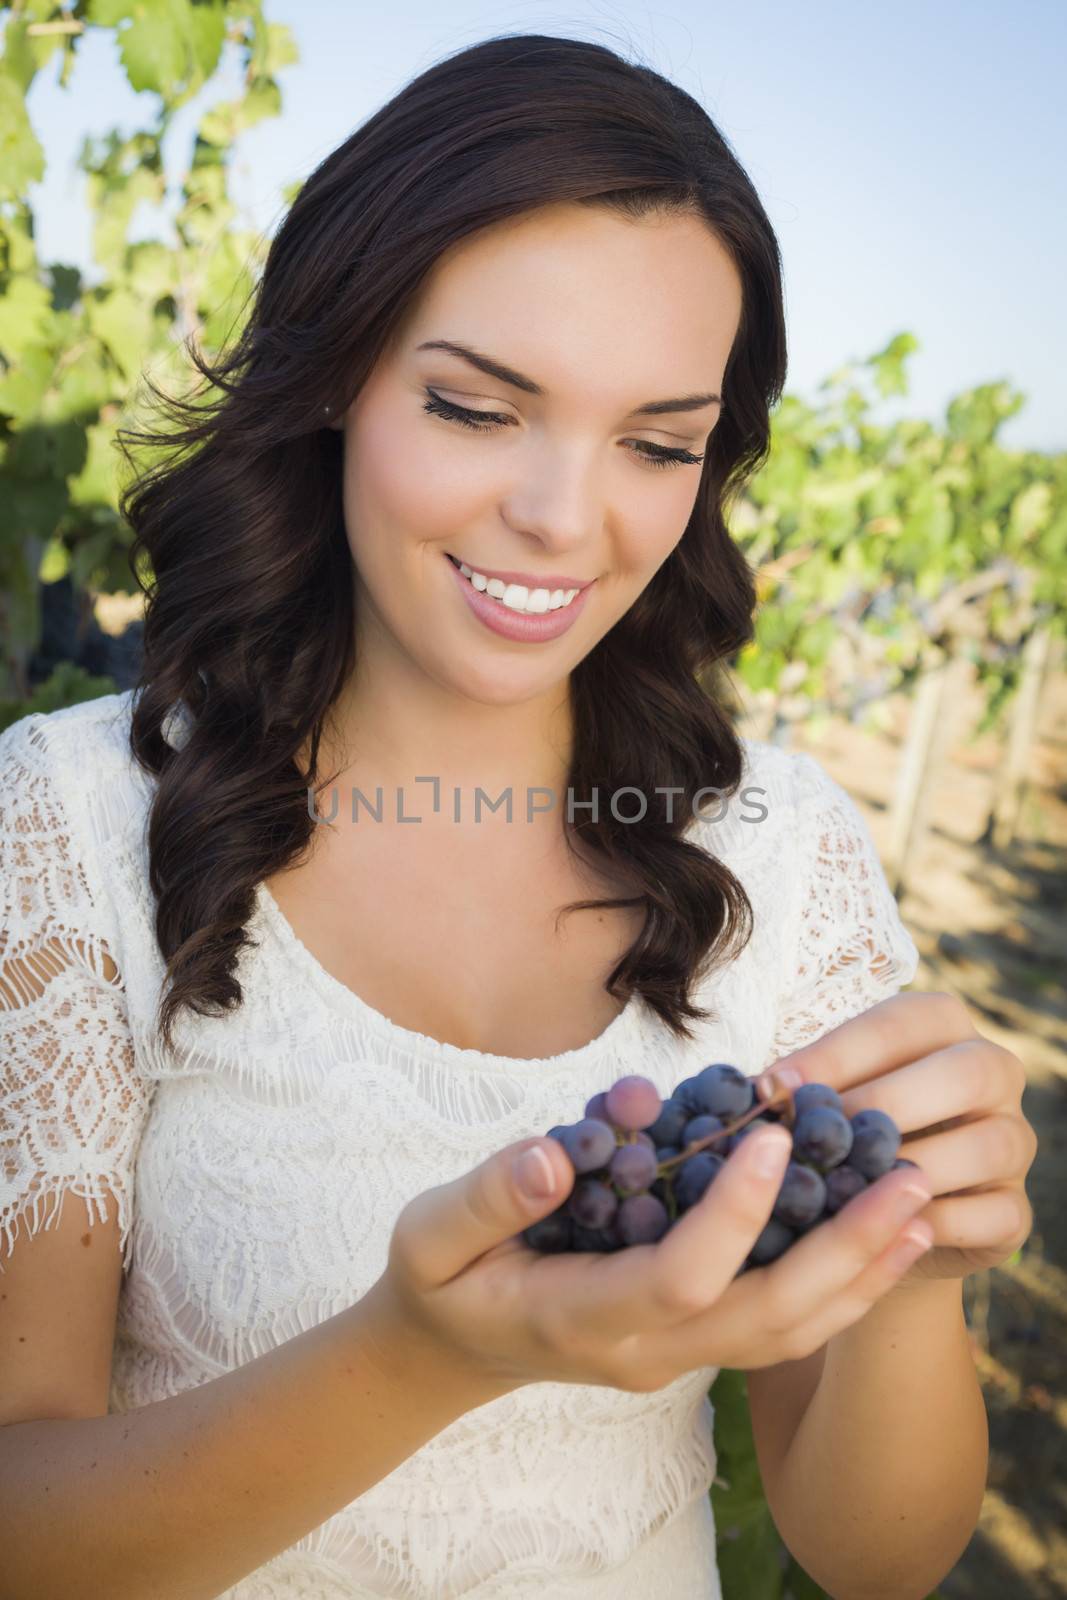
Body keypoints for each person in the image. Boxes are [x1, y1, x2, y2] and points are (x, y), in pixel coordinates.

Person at [0, 32, 1035, 1600]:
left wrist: (906, 1266)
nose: (563, 517)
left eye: (658, 443)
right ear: (338, 372)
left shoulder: (783, 855)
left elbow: (878, 1559)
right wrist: (420, 1358)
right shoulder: (69, 823)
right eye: (479, 408)